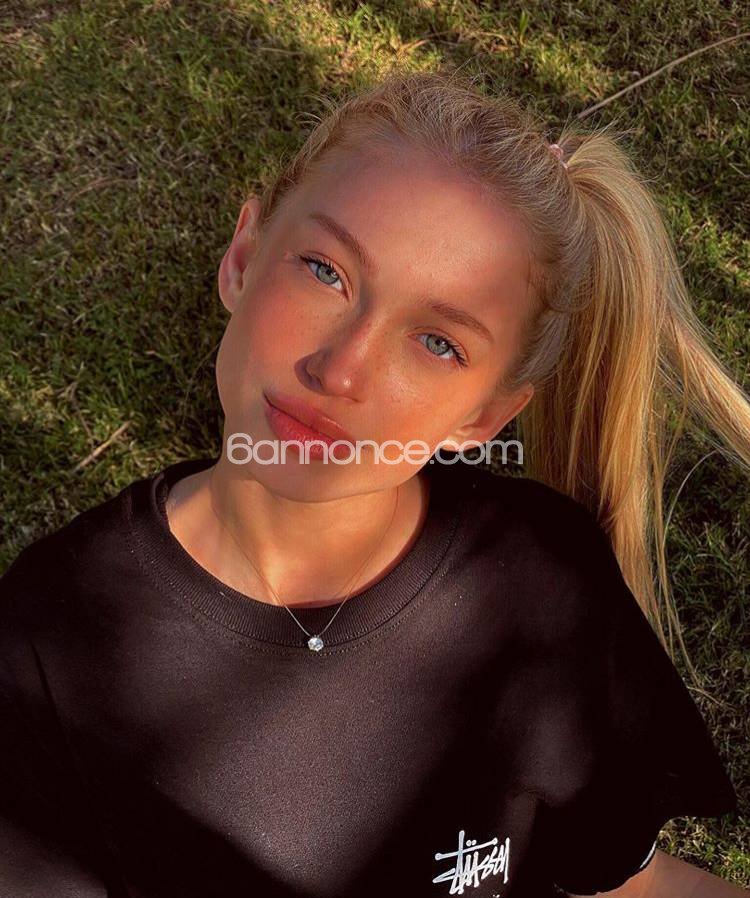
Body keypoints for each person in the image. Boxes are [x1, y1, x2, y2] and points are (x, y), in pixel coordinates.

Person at [1, 68, 748, 898]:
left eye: (438, 343)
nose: (341, 370)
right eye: (326, 272)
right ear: (244, 258)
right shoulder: (44, 641)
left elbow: (625, 886)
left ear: (484, 418)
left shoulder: (544, 583)